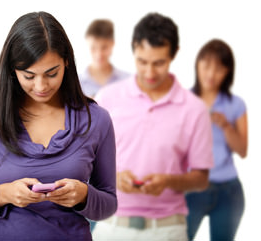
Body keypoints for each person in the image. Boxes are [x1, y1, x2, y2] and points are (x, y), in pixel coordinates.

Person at [0, 11, 117, 241]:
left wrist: (84, 195)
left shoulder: (96, 119)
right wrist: (3, 194)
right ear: (12, 69)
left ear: (67, 62)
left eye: (51, 73)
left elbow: (108, 204)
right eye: (29, 76)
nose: (41, 86)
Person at [93, 13, 214, 241]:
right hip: (111, 227)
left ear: (174, 54)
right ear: (133, 50)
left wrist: (168, 181)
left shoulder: (194, 109)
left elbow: (201, 178)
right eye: (142, 62)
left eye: (158, 63)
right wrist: (113, 178)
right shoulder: (107, 98)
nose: (149, 72)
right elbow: (85, 161)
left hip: (168, 230)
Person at [185, 39, 247, 241]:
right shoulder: (183, 100)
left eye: (219, 68)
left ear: (228, 72)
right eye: (206, 65)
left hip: (228, 191)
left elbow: (243, 150)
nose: (211, 74)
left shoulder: (235, 104)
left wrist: (226, 126)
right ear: (197, 65)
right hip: (191, 188)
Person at [79, 19, 129, 98]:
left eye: (104, 47)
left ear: (112, 44)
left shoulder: (127, 81)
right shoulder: (77, 84)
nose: (99, 54)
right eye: (93, 48)